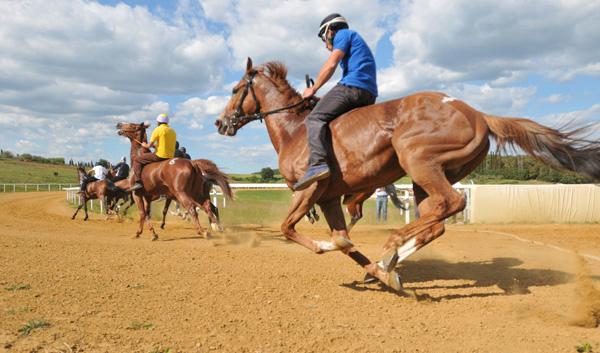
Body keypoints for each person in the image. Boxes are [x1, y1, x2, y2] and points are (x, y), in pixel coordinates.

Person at [293, 13, 378, 191]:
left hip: (354, 87)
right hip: (367, 92)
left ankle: (318, 164)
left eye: (324, 38)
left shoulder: (342, 35)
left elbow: (331, 64)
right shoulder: (354, 42)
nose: (326, 45)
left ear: (329, 30)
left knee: (313, 119)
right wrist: (323, 99)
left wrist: (313, 89)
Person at [129, 113, 177, 191]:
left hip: (159, 155)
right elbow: (166, 144)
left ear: (158, 122)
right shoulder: (172, 131)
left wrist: (145, 145)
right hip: (170, 156)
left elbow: (148, 145)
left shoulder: (157, 129)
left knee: (137, 159)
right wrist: (155, 146)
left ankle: (138, 182)